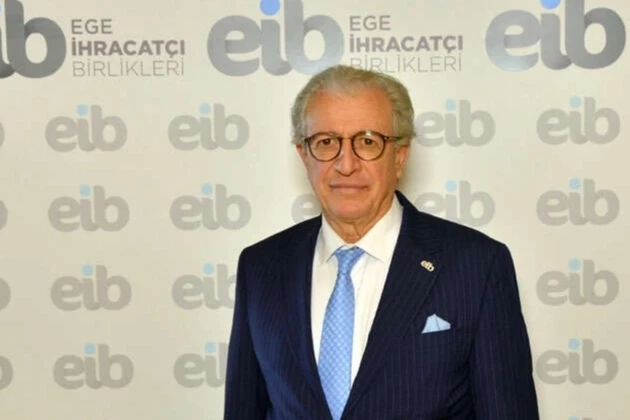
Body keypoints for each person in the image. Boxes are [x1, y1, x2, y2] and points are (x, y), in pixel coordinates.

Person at [224, 65, 539, 419]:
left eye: (367, 142)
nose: (346, 164)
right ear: (304, 156)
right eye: (326, 142)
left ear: (400, 156)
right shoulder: (261, 267)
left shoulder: (476, 267)